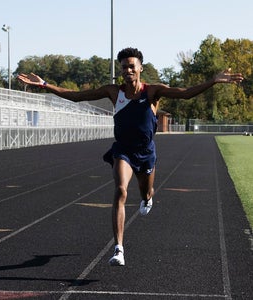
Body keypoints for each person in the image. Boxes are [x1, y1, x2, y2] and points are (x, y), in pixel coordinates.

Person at [17, 47, 243, 266]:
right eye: (124, 67)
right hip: (123, 150)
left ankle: (147, 197)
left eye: (132, 66)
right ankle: (119, 249)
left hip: (145, 153)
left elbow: (185, 94)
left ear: (140, 68)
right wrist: (45, 84)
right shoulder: (114, 92)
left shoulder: (153, 91)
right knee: (121, 190)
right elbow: (77, 96)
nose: (128, 71)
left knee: (145, 193)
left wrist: (213, 81)